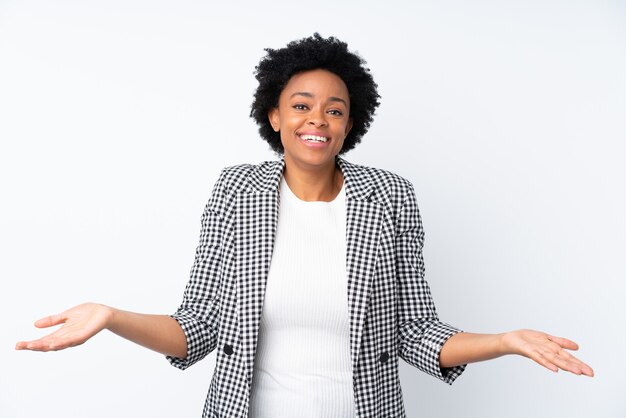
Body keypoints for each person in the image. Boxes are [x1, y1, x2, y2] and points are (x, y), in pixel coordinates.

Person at [16, 34, 593, 418]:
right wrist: (112, 317)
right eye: (301, 104)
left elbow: (414, 333)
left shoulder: (389, 196)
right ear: (274, 114)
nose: (317, 118)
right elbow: (198, 327)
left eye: (335, 109)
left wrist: (506, 341)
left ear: (350, 124)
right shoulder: (235, 192)